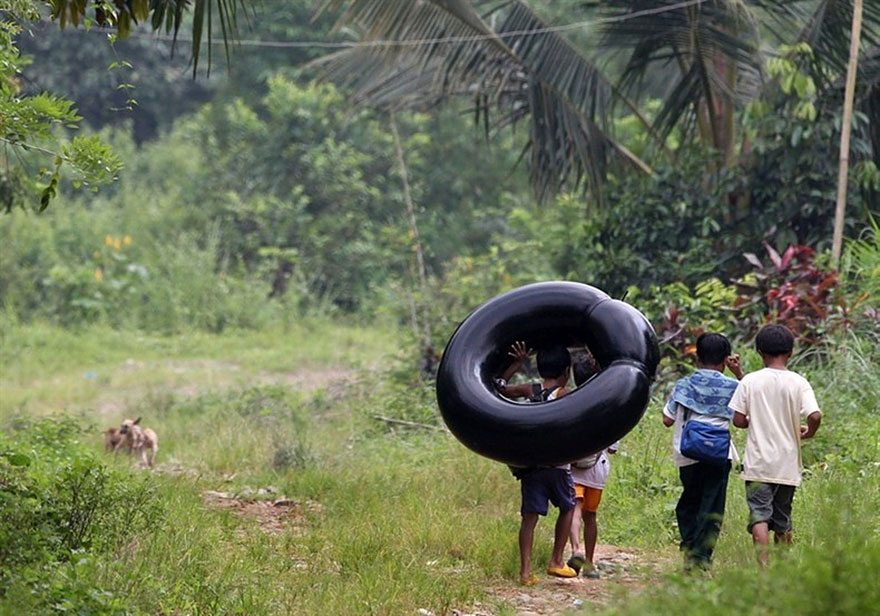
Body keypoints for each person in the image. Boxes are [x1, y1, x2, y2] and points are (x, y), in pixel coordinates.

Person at [729, 324, 821, 567]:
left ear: (760, 352)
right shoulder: (799, 382)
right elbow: (814, 415)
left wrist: (752, 420)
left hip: (758, 463)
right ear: (790, 352)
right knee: (783, 515)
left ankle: (763, 567)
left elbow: (738, 420)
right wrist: (808, 432)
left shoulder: (750, 381)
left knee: (759, 514)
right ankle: (782, 568)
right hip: (787, 464)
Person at [495, 343, 578, 586]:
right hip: (558, 465)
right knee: (568, 507)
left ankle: (525, 572)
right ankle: (556, 561)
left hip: (532, 465)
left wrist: (516, 365)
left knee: (529, 518)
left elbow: (498, 389)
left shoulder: (529, 389)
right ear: (566, 370)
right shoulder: (566, 393)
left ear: (540, 369)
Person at [662, 333, 744, 569]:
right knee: (712, 507)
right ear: (726, 359)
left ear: (697, 357)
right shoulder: (734, 386)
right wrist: (738, 373)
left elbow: (667, 420)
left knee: (689, 502)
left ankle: (689, 548)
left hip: (687, 453)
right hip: (719, 455)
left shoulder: (685, 384)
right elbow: (746, 411)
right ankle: (700, 559)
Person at [566, 357, 613, 579]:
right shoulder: (606, 405)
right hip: (597, 468)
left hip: (574, 466)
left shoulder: (569, 402)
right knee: (590, 516)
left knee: (574, 509)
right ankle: (591, 563)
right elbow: (612, 448)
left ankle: (576, 550)